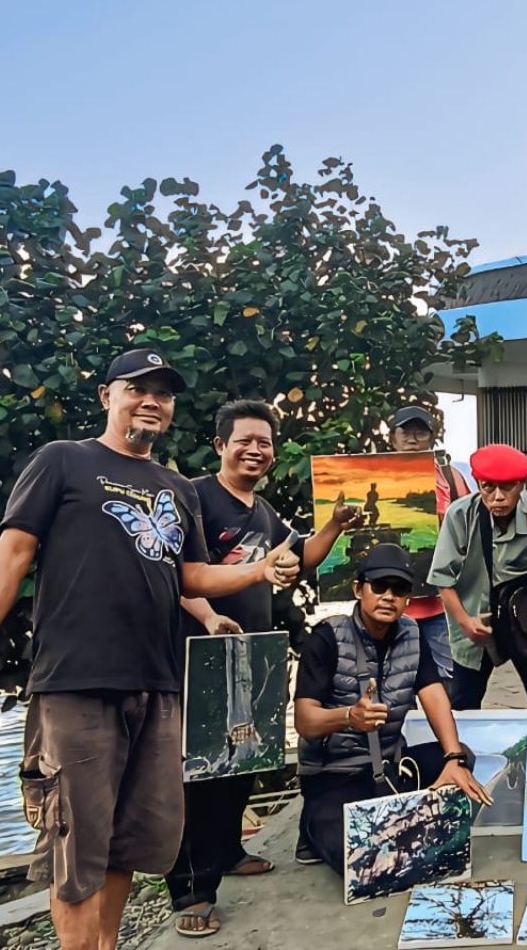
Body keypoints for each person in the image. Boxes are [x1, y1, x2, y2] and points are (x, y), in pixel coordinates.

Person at [0, 349, 301, 950]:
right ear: (107, 396)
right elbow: (13, 552)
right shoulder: (63, 461)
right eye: (138, 389)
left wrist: (259, 571)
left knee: (128, 842)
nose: (151, 401)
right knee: (76, 847)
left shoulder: (175, 489)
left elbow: (193, 578)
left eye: (163, 393)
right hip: (77, 682)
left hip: (159, 686)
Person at [166, 399, 354, 936]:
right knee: (199, 774)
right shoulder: (194, 498)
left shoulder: (263, 511)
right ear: (220, 445)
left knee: (243, 761)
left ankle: (227, 851)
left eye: (264, 442)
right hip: (200, 657)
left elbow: (299, 558)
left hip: (253, 654)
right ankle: (191, 892)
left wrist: (336, 525)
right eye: (244, 440)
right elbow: (176, 573)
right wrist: (205, 615)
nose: (256, 449)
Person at [293, 543, 491, 871]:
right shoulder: (327, 637)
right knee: (363, 865)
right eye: (379, 586)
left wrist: (453, 759)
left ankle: (398, 815)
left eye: (399, 589)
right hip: (336, 776)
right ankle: (319, 828)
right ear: (359, 589)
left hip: (390, 766)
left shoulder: (412, 634)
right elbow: (304, 721)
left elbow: (435, 697)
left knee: (462, 756)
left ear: (408, 600)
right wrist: (348, 717)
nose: (388, 596)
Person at [427, 443, 527, 710]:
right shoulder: (461, 515)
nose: (498, 497)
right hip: (475, 620)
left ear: (523, 483)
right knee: (462, 706)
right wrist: (465, 622)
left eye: (508, 487)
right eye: (488, 487)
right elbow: (442, 579)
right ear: (478, 483)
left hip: (523, 621)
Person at [385, 404, 472, 687]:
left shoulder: (452, 479)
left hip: (440, 606)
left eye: (420, 433)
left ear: (432, 438)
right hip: (390, 605)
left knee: (449, 687)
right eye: (405, 432)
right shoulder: (373, 478)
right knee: (393, 688)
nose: (412, 439)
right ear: (392, 438)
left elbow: (471, 529)